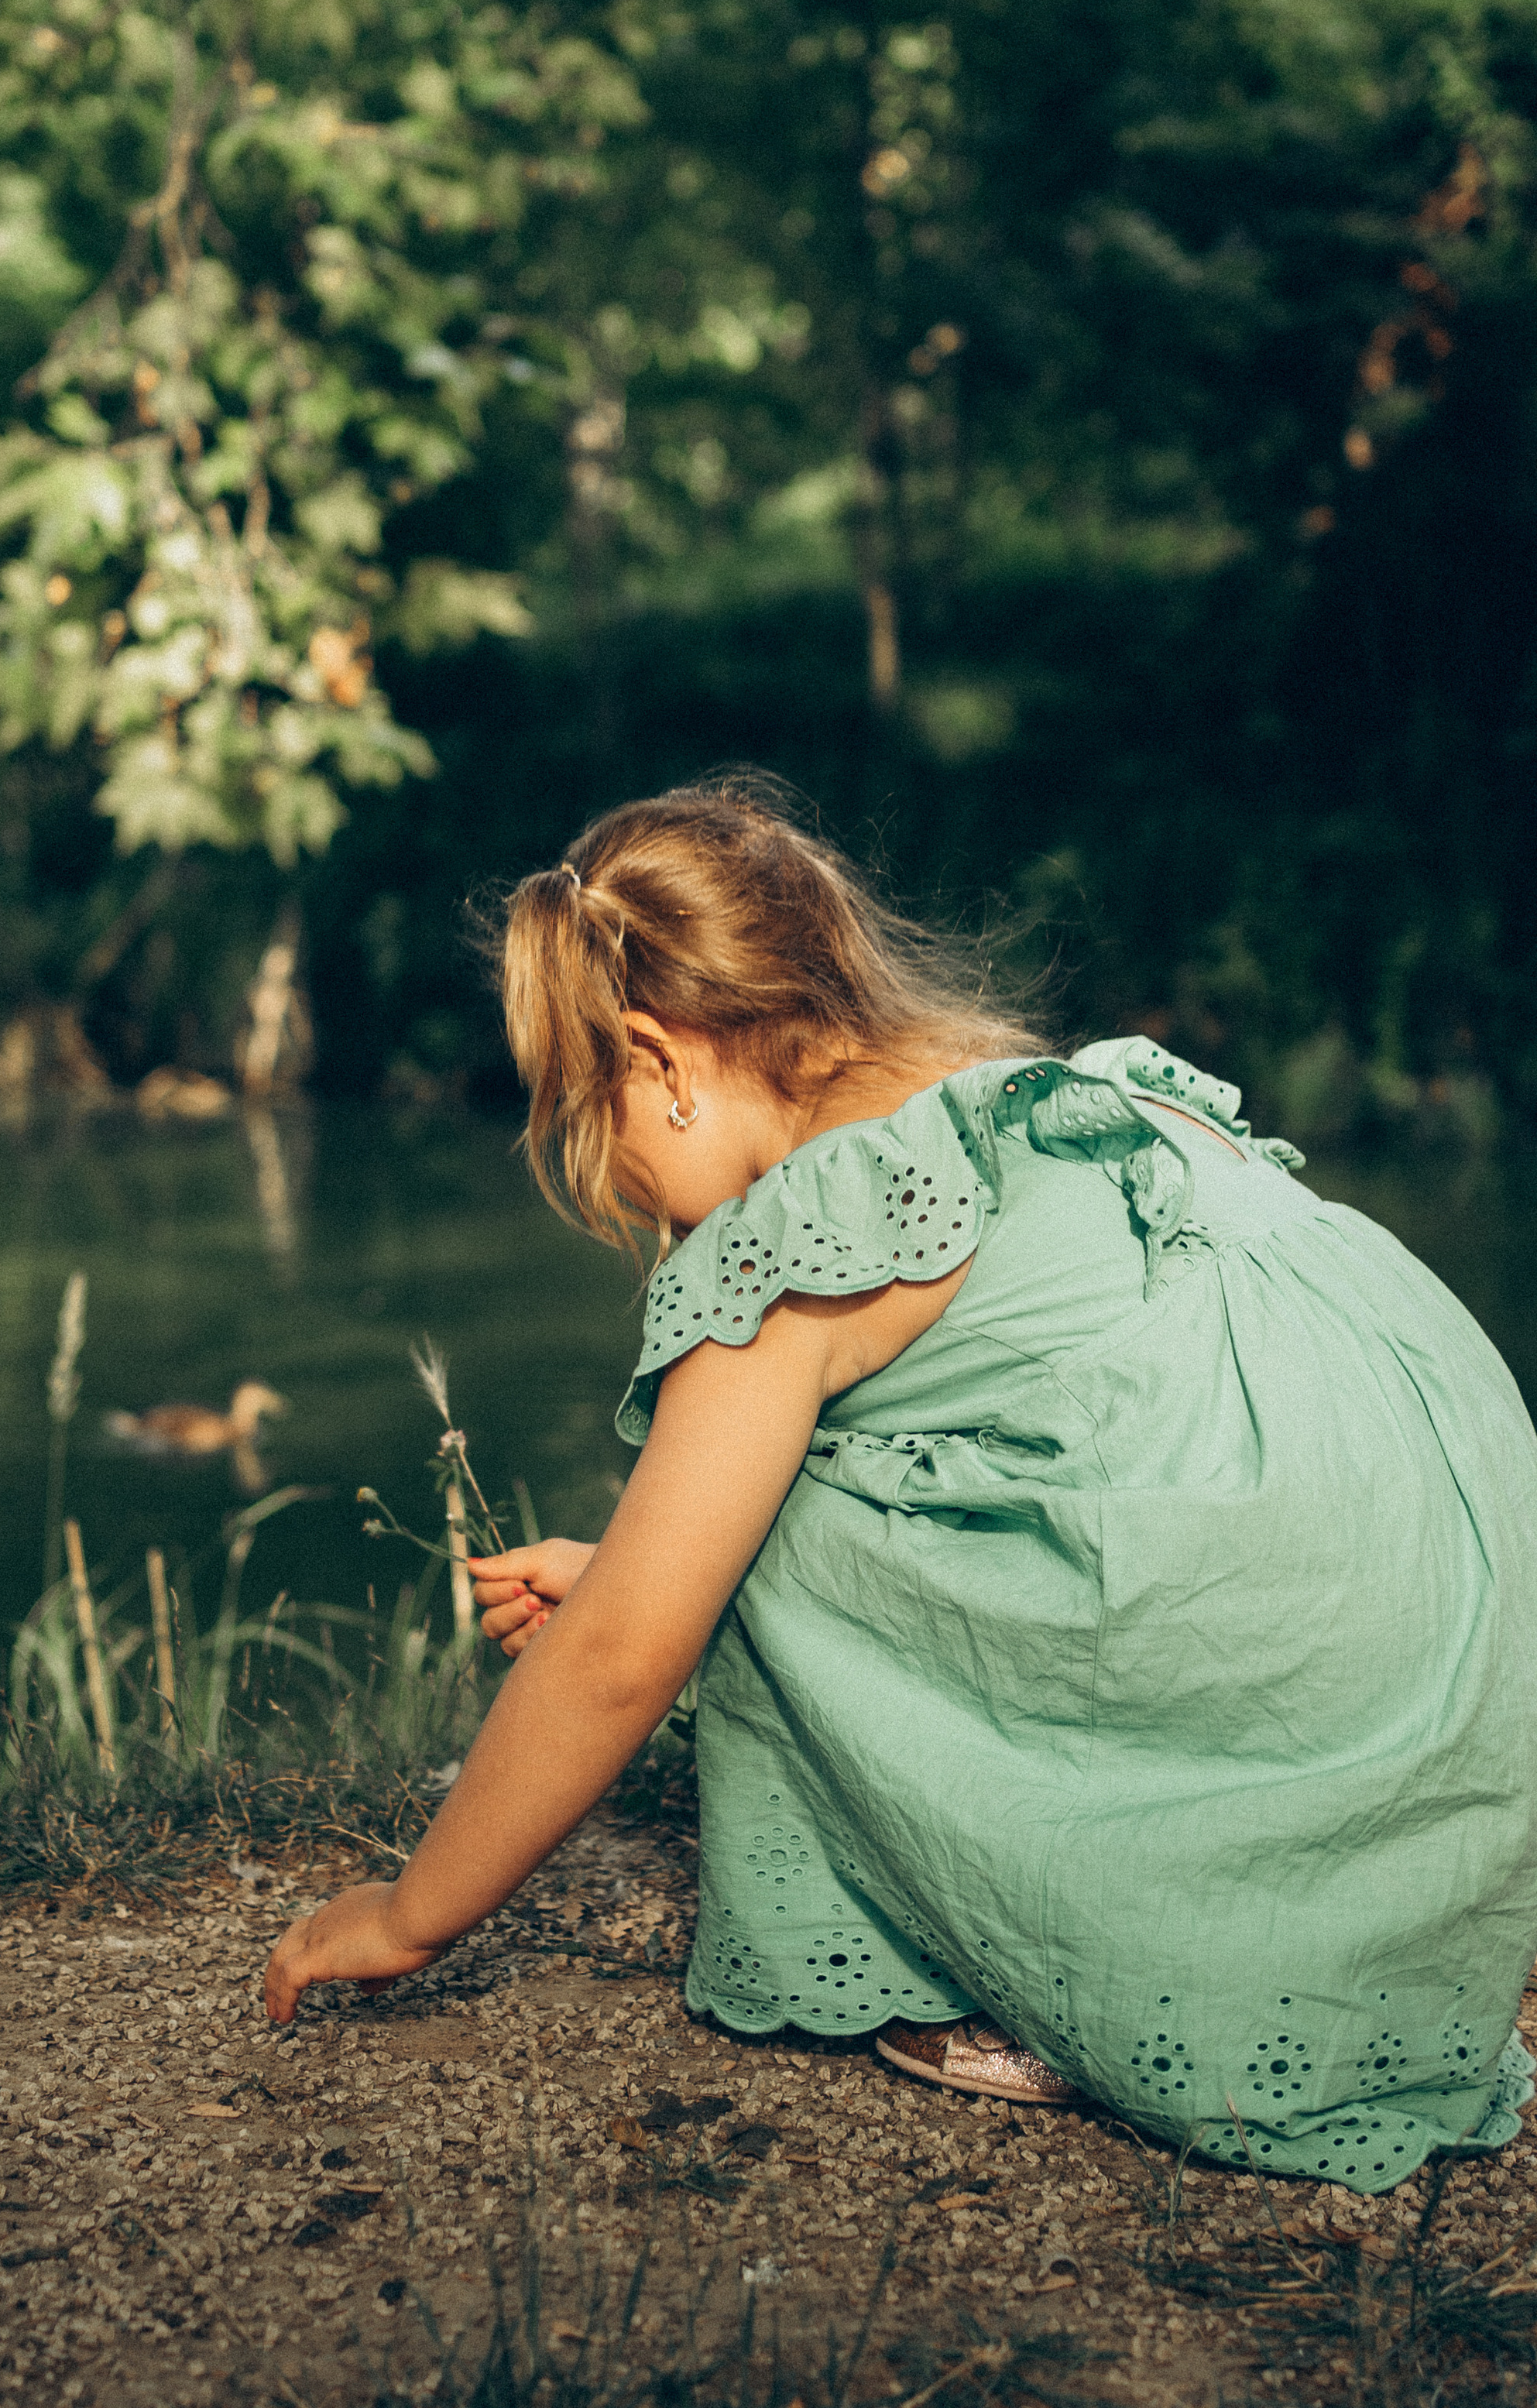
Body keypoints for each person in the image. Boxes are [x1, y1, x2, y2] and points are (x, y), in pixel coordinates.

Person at [265, 780, 1537, 2190]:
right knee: (753, 1524)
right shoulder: (1048, 1101)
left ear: (659, 1056)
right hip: (1456, 1595)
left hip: (1285, 1623)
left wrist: (411, 1913)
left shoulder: (797, 1237)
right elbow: (1157, 1428)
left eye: (586, 1110)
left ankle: (1072, 1968)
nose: (609, 1172)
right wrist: (636, 1566)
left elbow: (624, 1657)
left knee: (731, 1551)